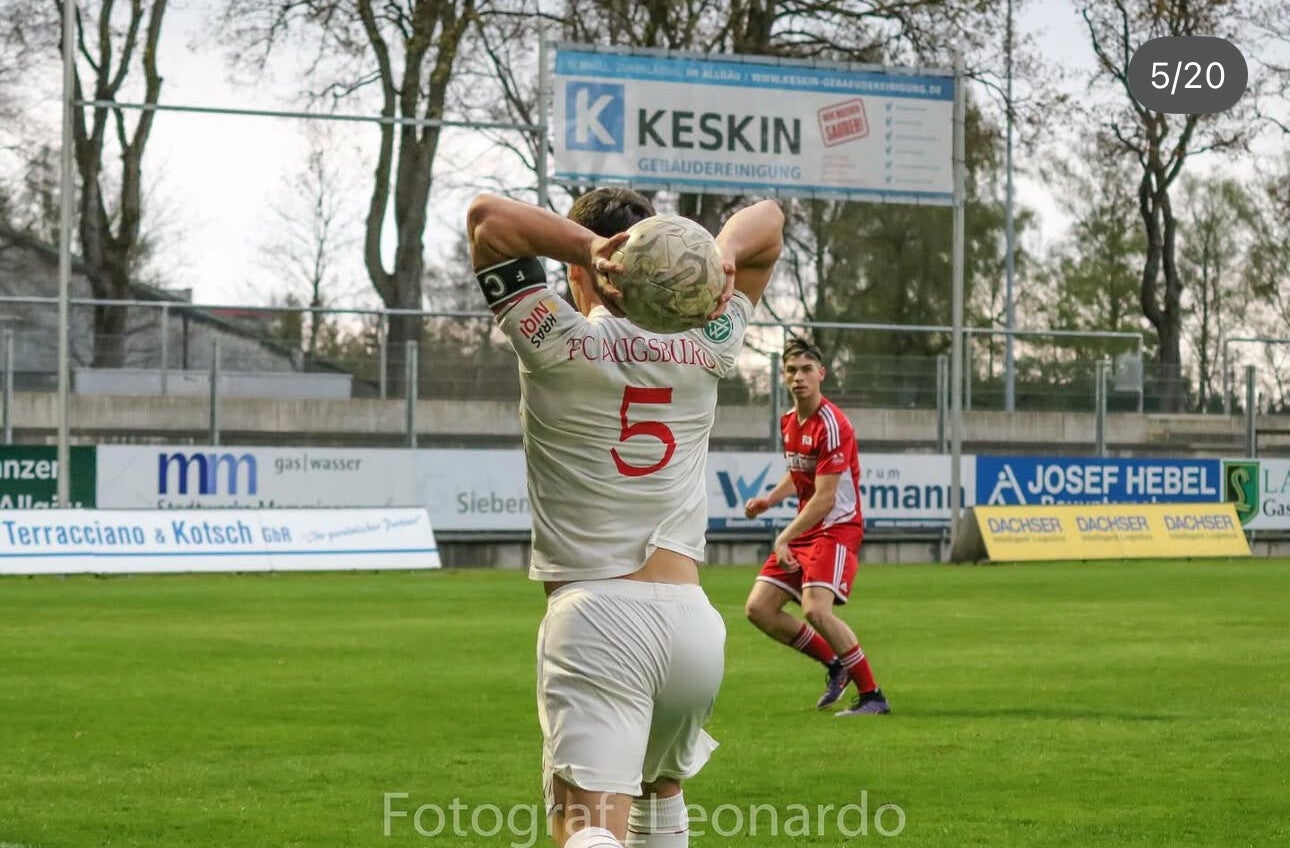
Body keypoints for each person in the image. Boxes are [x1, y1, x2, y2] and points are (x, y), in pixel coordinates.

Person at [466, 188, 784, 848]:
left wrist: (589, 248)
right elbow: (770, 223)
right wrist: (720, 255)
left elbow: (487, 221)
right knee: (659, 791)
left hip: (597, 616)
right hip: (692, 627)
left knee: (586, 825)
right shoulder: (709, 345)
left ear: (579, 271)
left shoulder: (554, 341)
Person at [742, 338, 891, 717]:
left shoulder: (833, 425)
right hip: (807, 529)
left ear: (821, 374)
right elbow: (799, 471)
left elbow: (825, 498)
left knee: (816, 611)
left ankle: (872, 696)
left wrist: (783, 536)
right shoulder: (789, 421)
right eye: (791, 370)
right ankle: (836, 665)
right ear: (783, 376)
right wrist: (769, 500)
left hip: (836, 528)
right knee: (759, 609)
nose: (799, 377)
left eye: (807, 370)